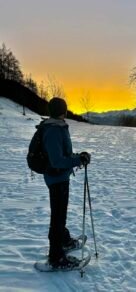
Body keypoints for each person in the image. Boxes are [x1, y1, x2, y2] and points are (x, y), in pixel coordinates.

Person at [40, 97, 90, 269]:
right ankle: (56, 257)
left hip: (59, 178)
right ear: (63, 111)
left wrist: (78, 157)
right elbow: (57, 161)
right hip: (56, 179)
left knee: (60, 215)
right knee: (58, 217)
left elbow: (64, 154)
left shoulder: (56, 126)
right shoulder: (53, 130)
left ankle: (64, 241)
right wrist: (77, 161)